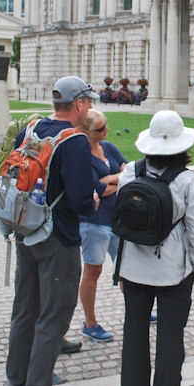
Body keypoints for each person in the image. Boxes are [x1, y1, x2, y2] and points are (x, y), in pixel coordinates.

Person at [4, 76, 101, 386]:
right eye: (87, 101)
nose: (89, 106)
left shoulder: (30, 129)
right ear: (77, 105)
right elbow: (78, 200)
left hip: (25, 229)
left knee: (25, 310)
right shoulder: (74, 141)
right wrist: (91, 201)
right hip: (57, 237)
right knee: (53, 317)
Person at [118, 111, 194, 386]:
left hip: (134, 269)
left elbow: (123, 222)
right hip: (172, 272)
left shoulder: (130, 172)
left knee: (134, 335)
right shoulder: (185, 181)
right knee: (171, 340)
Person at [78, 109, 127, 343]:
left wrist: (106, 181)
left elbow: (128, 171)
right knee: (93, 272)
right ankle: (90, 323)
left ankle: (139, 311)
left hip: (118, 219)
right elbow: (92, 190)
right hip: (94, 222)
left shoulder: (108, 148)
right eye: (101, 128)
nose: (106, 130)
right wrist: (114, 180)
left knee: (127, 267)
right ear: (87, 132)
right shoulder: (81, 155)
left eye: (106, 125)